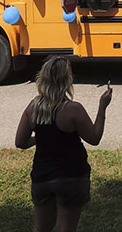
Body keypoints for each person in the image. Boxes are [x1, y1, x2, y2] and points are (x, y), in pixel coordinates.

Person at [15, 57, 113, 232]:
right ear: (67, 80)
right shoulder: (73, 109)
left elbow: (20, 142)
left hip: (42, 176)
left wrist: (43, 138)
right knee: (66, 228)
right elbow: (94, 137)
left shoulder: (33, 108)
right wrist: (102, 107)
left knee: (41, 228)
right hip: (72, 177)